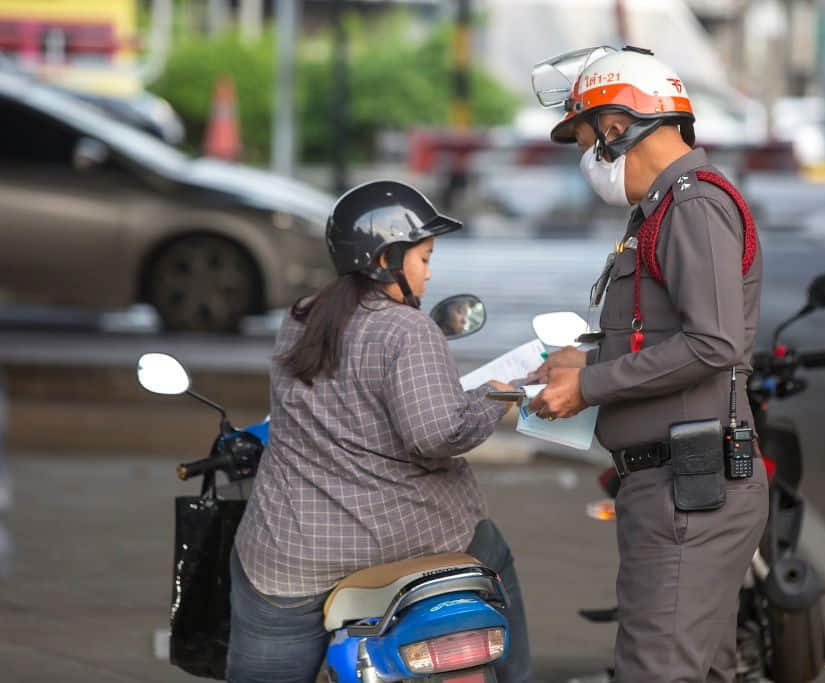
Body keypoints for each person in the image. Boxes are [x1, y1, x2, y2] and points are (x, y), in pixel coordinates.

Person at [527, 46, 769, 681]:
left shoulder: (690, 206)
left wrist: (591, 386)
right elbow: (660, 334)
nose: (590, 160)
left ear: (620, 127)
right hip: (669, 487)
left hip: (686, 492)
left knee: (655, 671)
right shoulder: (662, 210)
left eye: (588, 140)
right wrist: (583, 360)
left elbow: (713, 343)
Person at [228, 180, 531, 683]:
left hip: (294, 554)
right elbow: (435, 434)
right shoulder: (408, 329)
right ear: (387, 257)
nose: (430, 274)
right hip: (412, 537)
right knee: (491, 551)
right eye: (425, 257)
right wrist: (494, 400)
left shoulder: (302, 317)